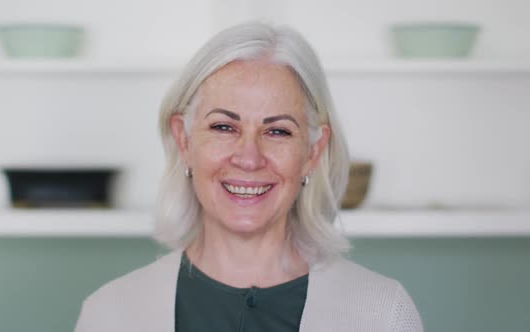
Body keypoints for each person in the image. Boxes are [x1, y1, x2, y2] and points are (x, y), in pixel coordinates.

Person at [75, 22, 423, 332]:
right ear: (184, 140)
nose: (249, 158)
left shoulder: (382, 315)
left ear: (313, 152)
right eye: (224, 127)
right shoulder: (108, 315)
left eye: (278, 131)